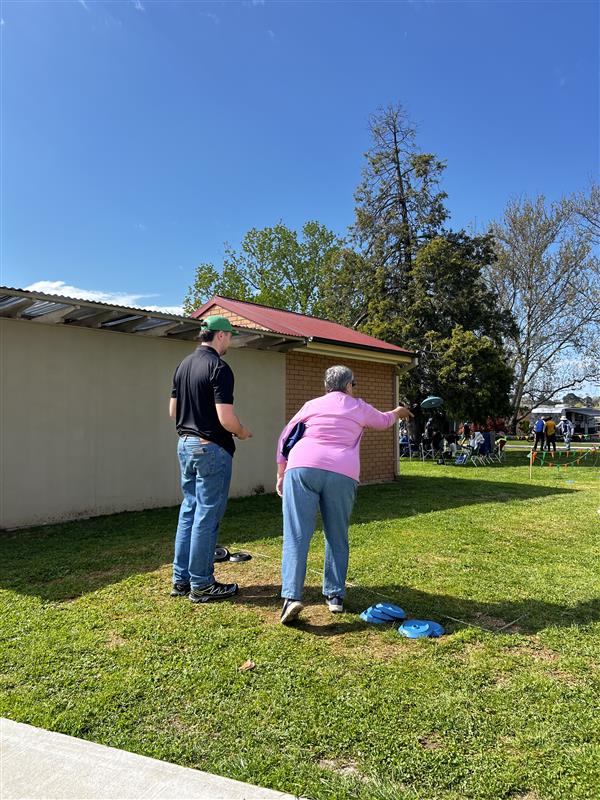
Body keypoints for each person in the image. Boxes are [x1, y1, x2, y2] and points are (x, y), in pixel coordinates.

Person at [275, 365, 413, 624]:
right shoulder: (357, 406)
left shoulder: (311, 404)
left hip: (302, 466)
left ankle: (291, 597)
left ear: (327, 386)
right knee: (336, 534)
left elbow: (285, 438)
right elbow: (383, 421)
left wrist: (281, 472)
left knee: (296, 534)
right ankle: (334, 596)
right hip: (342, 472)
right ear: (349, 385)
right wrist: (398, 411)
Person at [169, 315, 253, 603]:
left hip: (186, 445)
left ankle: (181, 580)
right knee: (207, 514)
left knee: (189, 511)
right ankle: (202, 584)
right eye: (230, 336)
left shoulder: (183, 366)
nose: (230, 341)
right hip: (211, 447)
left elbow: (173, 411)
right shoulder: (219, 368)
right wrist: (242, 432)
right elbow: (226, 419)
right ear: (220, 336)